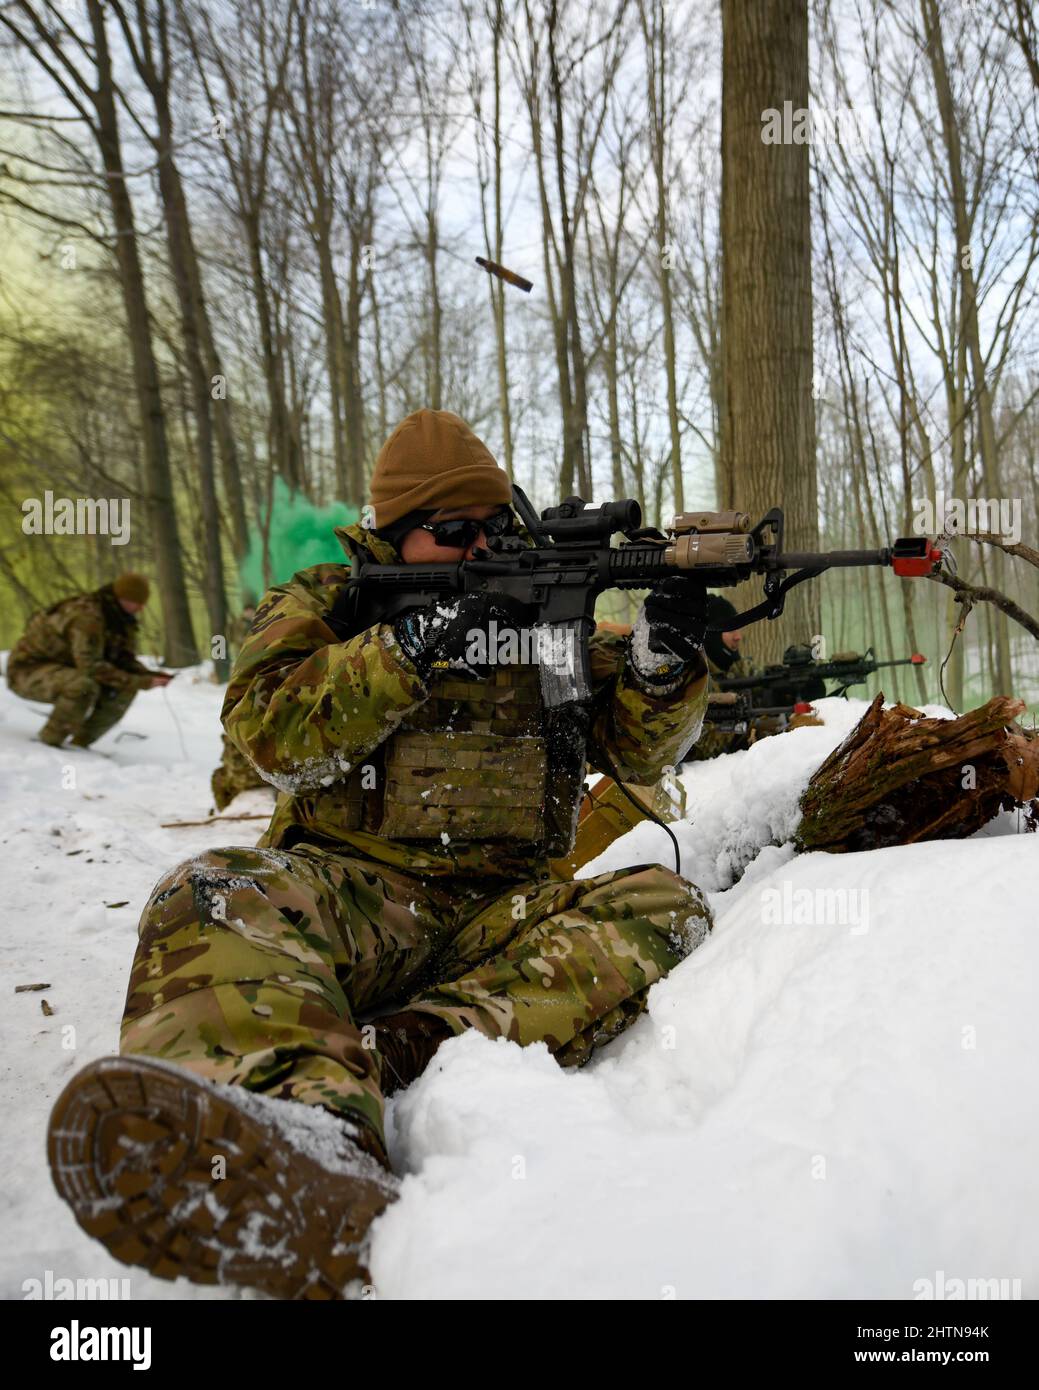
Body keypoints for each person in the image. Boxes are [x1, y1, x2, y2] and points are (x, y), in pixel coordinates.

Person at [48, 409, 714, 1299]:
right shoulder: (325, 602)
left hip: (502, 917)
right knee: (208, 892)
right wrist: (413, 645)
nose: (480, 546)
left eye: (492, 527)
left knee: (663, 903)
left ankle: (402, 1047)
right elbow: (268, 739)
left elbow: (636, 753)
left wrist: (662, 667)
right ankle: (307, 1138)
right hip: (355, 898)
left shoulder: (546, 624)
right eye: (452, 533)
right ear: (394, 534)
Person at [6, 572, 170, 747]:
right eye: (137, 603)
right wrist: (139, 681)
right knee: (83, 686)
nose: (141, 609)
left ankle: (80, 744)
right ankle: (49, 745)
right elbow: (91, 667)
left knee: (125, 689)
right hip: (27, 671)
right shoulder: (87, 617)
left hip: (65, 669)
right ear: (122, 598)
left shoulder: (119, 619)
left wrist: (147, 675)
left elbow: (122, 658)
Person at [210, 602, 272, 811]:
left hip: (253, 778)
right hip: (275, 775)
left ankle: (222, 813)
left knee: (218, 778)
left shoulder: (237, 716)